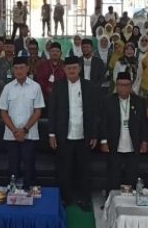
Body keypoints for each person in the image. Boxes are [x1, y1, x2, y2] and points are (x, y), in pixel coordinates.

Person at [48, 56, 100, 211]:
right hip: (64, 135)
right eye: (68, 68)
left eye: (74, 68)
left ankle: (85, 199)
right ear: (64, 70)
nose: (71, 70)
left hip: (84, 135)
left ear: (80, 69)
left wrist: (94, 134)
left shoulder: (89, 86)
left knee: (84, 170)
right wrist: (51, 134)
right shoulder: (58, 86)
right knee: (65, 169)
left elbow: (95, 113)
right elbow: (52, 111)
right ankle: (66, 199)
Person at [0, 56, 45, 187]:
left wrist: (24, 130)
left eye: (22, 68)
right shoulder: (7, 88)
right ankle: (13, 192)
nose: (19, 71)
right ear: (13, 70)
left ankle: (29, 192)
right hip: (11, 135)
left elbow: (38, 111)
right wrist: (15, 131)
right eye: (16, 68)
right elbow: (3, 112)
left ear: (28, 68)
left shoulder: (35, 87)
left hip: (29, 135)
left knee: (29, 166)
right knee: (13, 167)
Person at [100, 72, 148, 199]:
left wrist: (144, 141)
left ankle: (130, 201)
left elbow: (144, 123)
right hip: (114, 142)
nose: (123, 88)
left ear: (131, 86)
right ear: (116, 85)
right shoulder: (107, 101)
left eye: (126, 85)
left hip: (133, 143)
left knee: (131, 174)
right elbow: (103, 122)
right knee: (113, 175)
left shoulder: (139, 102)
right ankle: (110, 201)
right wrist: (103, 141)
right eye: (120, 85)